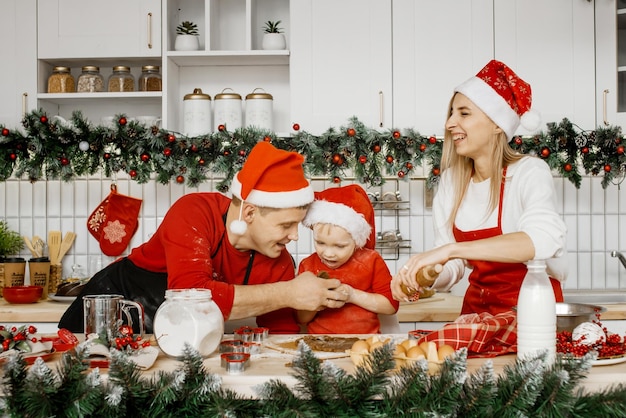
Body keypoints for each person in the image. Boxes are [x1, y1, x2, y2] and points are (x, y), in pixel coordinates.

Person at [59, 141, 350, 334]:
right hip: (112, 308)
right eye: (286, 225)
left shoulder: (278, 261)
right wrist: (288, 293)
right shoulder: (195, 211)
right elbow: (189, 296)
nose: (294, 236)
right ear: (249, 212)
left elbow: (281, 336)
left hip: (172, 336)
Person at [391, 59, 568, 315]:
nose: (450, 124)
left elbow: (541, 240)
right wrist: (425, 275)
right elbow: (453, 268)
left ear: (497, 124)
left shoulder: (529, 172)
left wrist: (449, 250)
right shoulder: (453, 180)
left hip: (531, 314)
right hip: (476, 316)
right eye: (451, 113)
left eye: (463, 113)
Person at [297, 184, 399, 334]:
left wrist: (352, 295)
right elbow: (302, 318)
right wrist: (319, 301)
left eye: (340, 246)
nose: (329, 253)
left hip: (365, 343)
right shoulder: (308, 266)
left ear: (356, 242)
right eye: (320, 243)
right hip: (320, 344)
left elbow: (390, 306)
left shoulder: (371, 261)